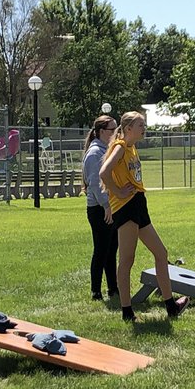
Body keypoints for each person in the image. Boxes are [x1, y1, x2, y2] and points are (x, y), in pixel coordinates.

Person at [99, 112, 189, 322]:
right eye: (140, 125)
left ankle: (170, 306)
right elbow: (104, 172)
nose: (144, 128)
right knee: (127, 260)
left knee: (161, 252)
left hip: (138, 204)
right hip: (127, 206)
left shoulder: (131, 147)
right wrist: (118, 192)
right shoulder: (120, 146)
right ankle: (127, 311)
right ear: (128, 128)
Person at [82, 113, 119, 301]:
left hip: (109, 206)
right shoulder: (95, 153)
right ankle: (96, 291)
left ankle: (113, 288)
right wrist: (107, 206)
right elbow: (95, 184)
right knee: (101, 249)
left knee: (112, 249)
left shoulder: (107, 149)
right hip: (99, 209)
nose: (116, 132)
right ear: (102, 132)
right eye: (113, 129)